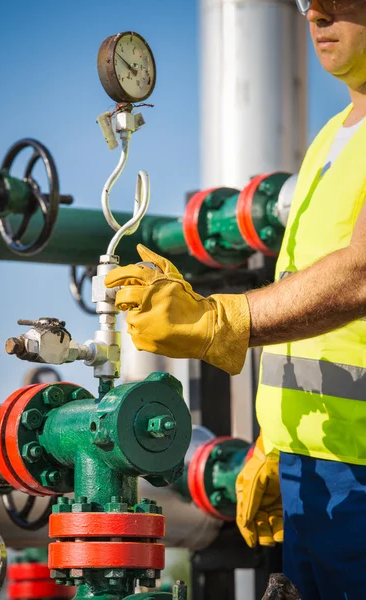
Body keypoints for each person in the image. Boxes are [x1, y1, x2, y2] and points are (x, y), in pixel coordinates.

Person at [105, 1, 366, 597]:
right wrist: (276, 445)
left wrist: (217, 319)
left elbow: (360, 274)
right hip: (310, 475)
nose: (316, 13)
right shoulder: (333, 136)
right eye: (304, 1)